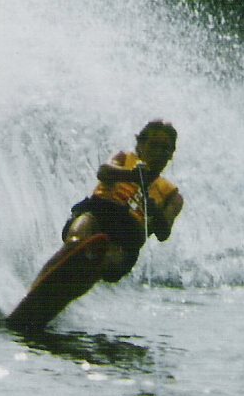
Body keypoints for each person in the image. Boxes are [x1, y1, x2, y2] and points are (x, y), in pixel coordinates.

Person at [60, 119, 183, 282]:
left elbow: (163, 233)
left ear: (171, 154)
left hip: (128, 235)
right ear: (140, 145)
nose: (159, 152)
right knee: (84, 225)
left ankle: (102, 263)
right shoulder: (124, 159)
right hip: (99, 212)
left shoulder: (173, 196)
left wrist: (154, 211)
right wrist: (132, 176)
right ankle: (74, 245)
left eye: (165, 149)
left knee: (114, 259)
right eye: (153, 145)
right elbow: (103, 172)